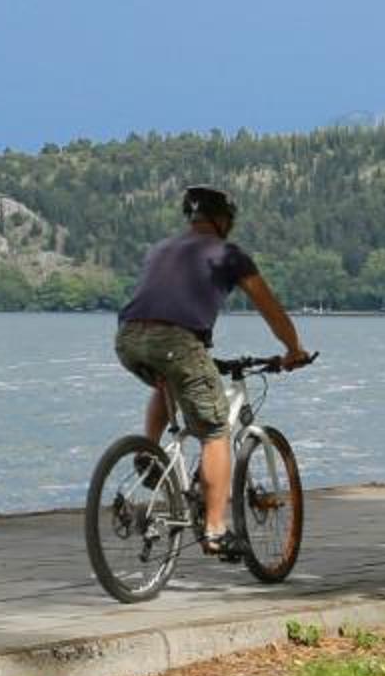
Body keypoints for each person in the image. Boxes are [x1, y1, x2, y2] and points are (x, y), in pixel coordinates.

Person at [114, 184, 313, 553]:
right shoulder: (229, 255)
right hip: (175, 341)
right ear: (224, 220)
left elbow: (166, 299)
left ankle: (149, 452)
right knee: (216, 431)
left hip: (127, 337)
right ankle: (216, 530)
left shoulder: (161, 248)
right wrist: (293, 349)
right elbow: (270, 308)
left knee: (167, 381)